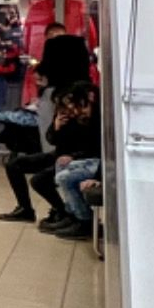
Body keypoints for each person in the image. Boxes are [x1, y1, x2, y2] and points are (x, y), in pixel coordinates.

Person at [46, 82, 102, 240]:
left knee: (63, 177)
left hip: (95, 161)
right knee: (60, 166)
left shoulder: (98, 119)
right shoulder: (75, 118)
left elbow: (100, 150)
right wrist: (57, 127)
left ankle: (84, 220)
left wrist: (97, 178)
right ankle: (72, 214)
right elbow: (55, 141)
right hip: (80, 158)